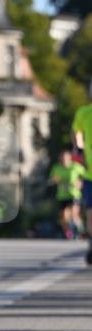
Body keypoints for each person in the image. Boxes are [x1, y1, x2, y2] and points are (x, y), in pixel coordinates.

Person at [72, 88, 92, 264]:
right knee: (90, 211)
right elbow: (77, 132)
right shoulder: (84, 112)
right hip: (90, 173)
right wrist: (79, 150)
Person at [47, 150, 84, 239]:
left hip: (74, 194)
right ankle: (69, 232)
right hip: (62, 195)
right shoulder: (57, 168)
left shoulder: (75, 166)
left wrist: (80, 183)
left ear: (69, 158)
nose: (64, 160)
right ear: (60, 158)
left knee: (74, 213)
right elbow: (51, 180)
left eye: (66, 158)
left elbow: (85, 176)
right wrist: (54, 180)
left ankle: (80, 229)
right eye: (62, 158)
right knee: (64, 216)